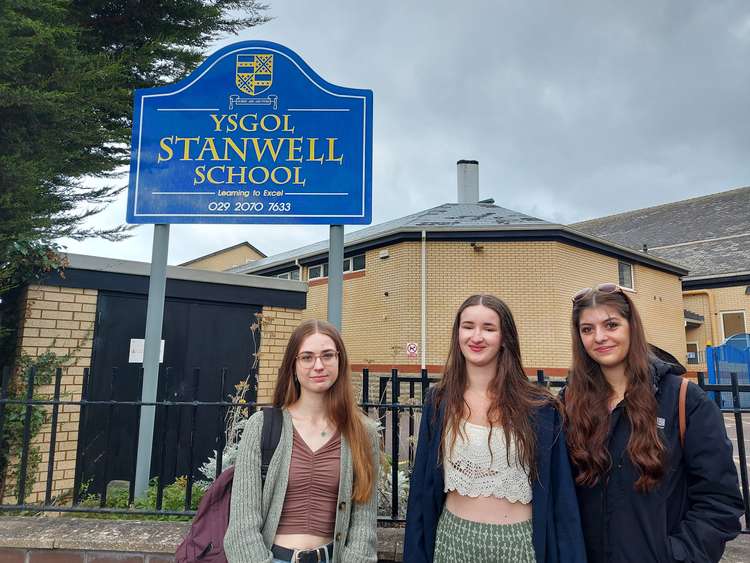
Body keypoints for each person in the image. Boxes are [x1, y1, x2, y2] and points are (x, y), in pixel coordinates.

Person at [564, 283, 744, 563]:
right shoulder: (570, 403)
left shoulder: (684, 399)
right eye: (587, 329)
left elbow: (719, 500)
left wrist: (677, 556)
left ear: (631, 327)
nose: (599, 337)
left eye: (611, 324)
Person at [404, 294, 586, 563]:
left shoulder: (540, 407)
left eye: (488, 328)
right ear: (457, 334)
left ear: (504, 338)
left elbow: (562, 499)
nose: (476, 337)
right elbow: (421, 491)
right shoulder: (439, 400)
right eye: (468, 326)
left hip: (519, 545)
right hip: (453, 541)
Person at [224, 319, 380, 563]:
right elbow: (242, 527)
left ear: (340, 360)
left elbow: (364, 524)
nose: (318, 365)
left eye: (327, 355)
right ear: (293, 366)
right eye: (307, 357)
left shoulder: (362, 433)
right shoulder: (262, 427)